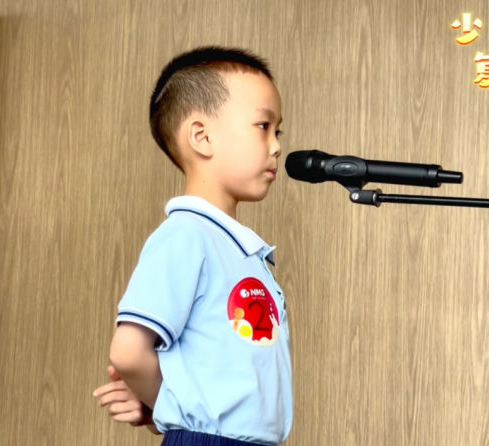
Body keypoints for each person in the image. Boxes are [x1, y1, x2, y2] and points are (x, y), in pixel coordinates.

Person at [93, 46, 291, 446]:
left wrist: (162, 406)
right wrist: (171, 406)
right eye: (262, 127)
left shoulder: (237, 250)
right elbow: (129, 351)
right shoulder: (185, 235)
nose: (276, 146)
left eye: (277, 132)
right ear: (201, 136)